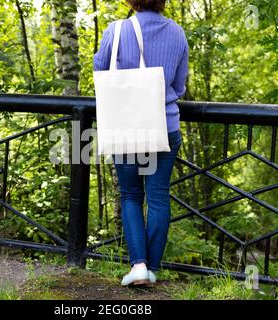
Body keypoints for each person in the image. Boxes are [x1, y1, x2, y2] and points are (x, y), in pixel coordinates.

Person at [93, 0, 189, 286]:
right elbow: (180, 85)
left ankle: (138, 266)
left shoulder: (117, 30)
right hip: (165, 125)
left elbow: (100, 71)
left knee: (131, 196)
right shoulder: (177, 32)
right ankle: (153, 269)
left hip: (126, 126)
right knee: (158, 196)